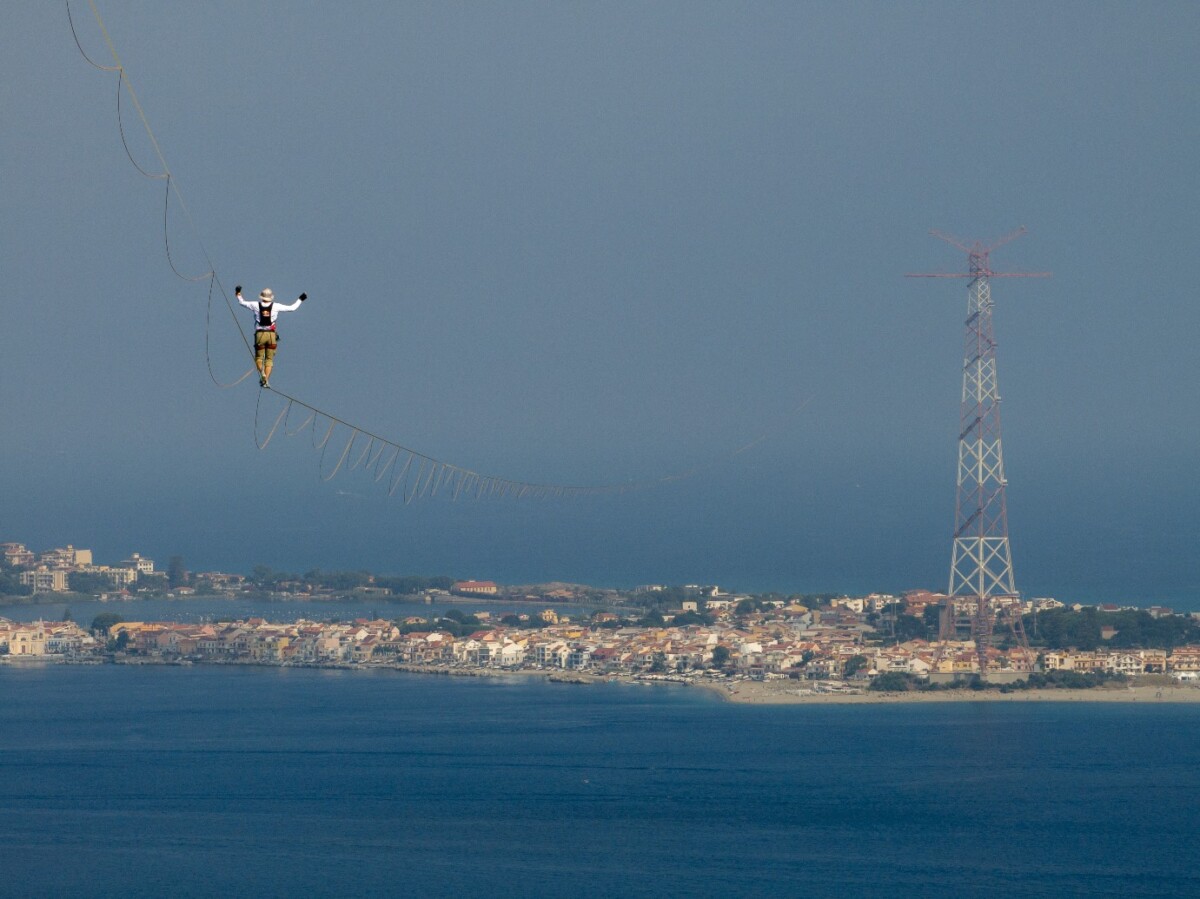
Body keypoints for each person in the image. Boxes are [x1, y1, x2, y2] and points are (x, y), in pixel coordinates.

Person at [235, 285, 307, 387]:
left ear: (261, 297)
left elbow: (241, 302)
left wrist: (238, 293)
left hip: (260, 335)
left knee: (259, 357)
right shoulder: (276, 306)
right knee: (269, 359)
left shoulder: (255, 305)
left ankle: (262, 374)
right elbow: (292, 308)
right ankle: (266, 380)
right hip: (271, 336)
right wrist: (301, 299)